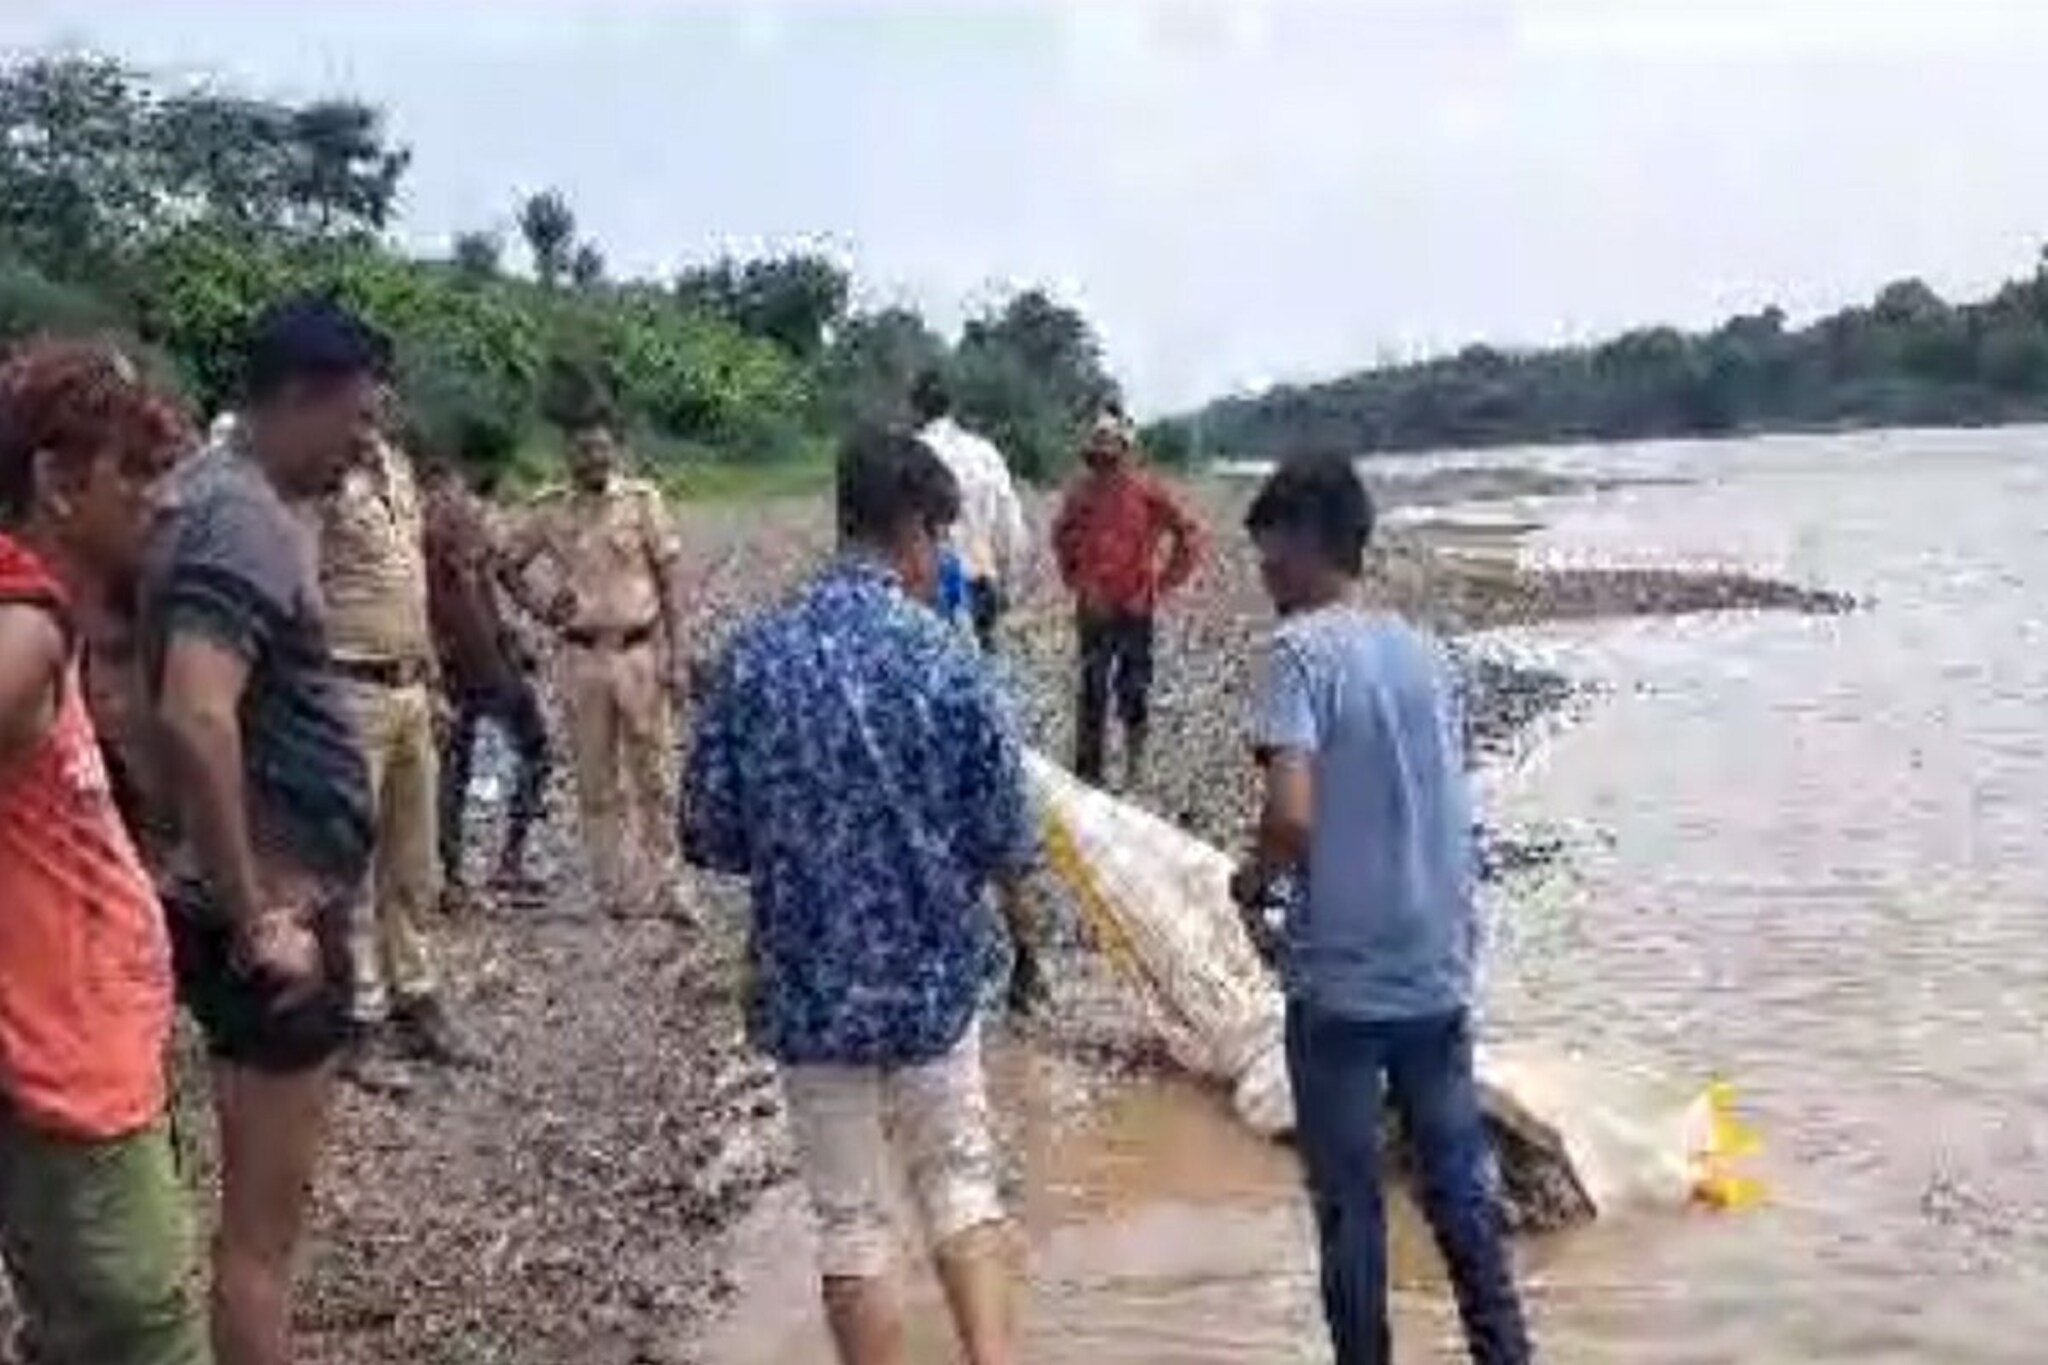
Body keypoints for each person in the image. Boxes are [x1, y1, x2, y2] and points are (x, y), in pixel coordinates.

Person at [684, 427, 1034, 1365]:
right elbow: (1007, 836)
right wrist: (1020, 938)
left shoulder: (754, 659)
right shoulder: (954, 662)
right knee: (962, 1183)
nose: (943, 563)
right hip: (933, 977)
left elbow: (709, 833)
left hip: (809, 977)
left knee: (850, 1219)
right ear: (916, 527)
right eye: (942, 541)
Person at [1229, 453, 1531, 1365]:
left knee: (1351, 1208)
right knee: (1459, 1193)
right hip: (1437, 964)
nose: (1263, 570)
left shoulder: (1295, 653)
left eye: (1268, 548)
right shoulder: (1424, 651)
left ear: (1306, 541)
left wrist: (1254, 882)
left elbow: (1290, 814)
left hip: (1344, 986)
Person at [140, 295, 386, 1365]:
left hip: (231, 882)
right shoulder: (237, 511)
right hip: (269, 911)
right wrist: (253, 913)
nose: (360, 446)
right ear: (295, 397)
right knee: (259, 1243)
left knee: (241, 1227)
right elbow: (196, 709)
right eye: (353, 420)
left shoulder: (194, 492)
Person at [0, 341, 209, 1365]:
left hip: (88, 1062)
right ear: (57, 479)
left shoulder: (49, 618)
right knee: (141, 1334)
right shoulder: (26, 626)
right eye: (138, 472)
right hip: (65, 1080)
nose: (162, 502)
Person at [312, 401, 471, 1085]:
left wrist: (433, 680)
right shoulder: (320, 481)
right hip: (348, 686)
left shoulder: (399, 471)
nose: (372, 407)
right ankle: (361, 1014)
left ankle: (417, 992)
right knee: (353, 857)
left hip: (408, 685)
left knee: (413, 855)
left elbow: (415, 588)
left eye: (378, 392)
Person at [502, 415, 687, 920]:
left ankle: (669, 888)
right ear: (569, 455)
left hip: (639, 653)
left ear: (616, 450)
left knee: (657, 776)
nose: (596, 460)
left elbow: (669, 582)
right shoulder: (550, 510)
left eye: (603, 449)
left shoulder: (642, 502)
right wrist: (541, 606)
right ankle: (616, 891)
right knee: (596, 781)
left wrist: (678, 654)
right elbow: (505, 563)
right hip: (582, 655)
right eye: (585, 451)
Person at [421, 447, 551, 912]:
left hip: (493, 661)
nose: (457, 502)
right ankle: (454, 877)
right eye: (446, 492)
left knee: (534, 750)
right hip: (455, 668)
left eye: (458, 491)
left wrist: (533, 619)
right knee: (454, 770)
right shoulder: (421, 540)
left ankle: (506, 862)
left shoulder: (468, 531)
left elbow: (502, 578)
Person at [1049, 407, 1204, 788]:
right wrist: (1076, 580)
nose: (1102, 452)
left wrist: (1165, 581)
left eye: (1110, 444)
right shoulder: (1080, 492)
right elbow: (1061, 537)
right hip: (1094, 608)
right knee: (1092, 690)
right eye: (1097, 443)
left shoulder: (1148, 490)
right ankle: (1088, 776)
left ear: (1125, 447)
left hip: (1136, 607)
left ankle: (1134, 771)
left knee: (1134, 690)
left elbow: (1187, 533)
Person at [911, 369, 1029, 653]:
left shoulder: (911, 453)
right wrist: (1009, 585)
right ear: (951, 407)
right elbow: (1010, 527)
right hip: (981, 580)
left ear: (915, 407)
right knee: (982, 681)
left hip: (932, 589)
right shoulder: (985, 452)